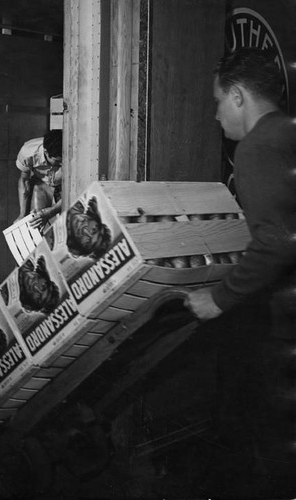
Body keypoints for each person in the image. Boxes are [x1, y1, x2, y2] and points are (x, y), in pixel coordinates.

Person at [184, 48, 296, 496]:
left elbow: (276, 240)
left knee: (262, 432)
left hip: (281, 325)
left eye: (216, 102)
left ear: (237, 96)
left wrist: (219, 299)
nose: (215, 115)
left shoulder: (257, 146)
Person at [14, 129, 63, 230]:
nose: (62, 164)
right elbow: (24, 181)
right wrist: (22, 214)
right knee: (35, 223)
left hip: (65, 185)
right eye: (58, 161)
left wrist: (51, 211)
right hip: (42, 184)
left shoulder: (72, 152)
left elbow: (74, 192)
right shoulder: (28, 152)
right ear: (46, 152)